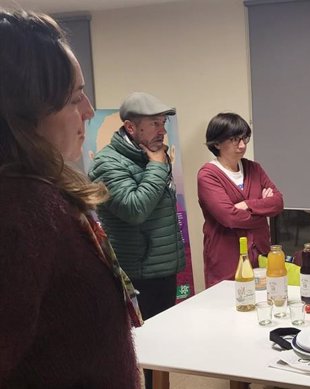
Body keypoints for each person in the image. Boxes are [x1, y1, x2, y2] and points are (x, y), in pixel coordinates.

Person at [0, 9, 141, 388]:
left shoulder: (43, 197)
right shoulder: (20, 213)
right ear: (24, 113)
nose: (90, 112)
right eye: (75, 98)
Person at [88, 91, 184, 389]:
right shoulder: (107, 163)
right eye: (154, 123)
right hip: (138, 274)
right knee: (141, 352)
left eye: (164, 122)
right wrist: (157, 166)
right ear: (130, 127)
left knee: (163, 349)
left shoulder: (150, 155)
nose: (162, 129)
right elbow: (134, 209)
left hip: (162, 269)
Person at [197, 113, 284, 288]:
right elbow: (229, 217)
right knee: (230, 307)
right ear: (217, 143)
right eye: (235, 139)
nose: (242, 145)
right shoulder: (208, 175)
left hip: (259, 255)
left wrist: (247, 205)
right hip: (227, 258)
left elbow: (278, 203)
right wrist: (262, 209)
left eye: (244, 138)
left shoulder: (254, 168)